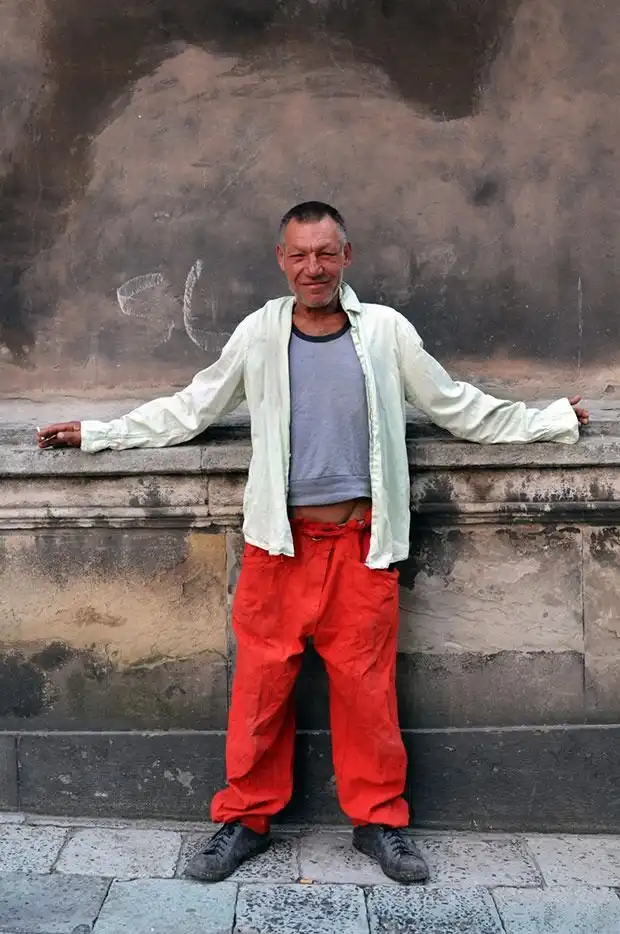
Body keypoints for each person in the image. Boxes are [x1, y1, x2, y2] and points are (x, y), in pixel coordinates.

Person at [38, 201, 589, 885]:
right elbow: (192, 408)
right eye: (299, 254)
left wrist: (549, 420)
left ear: (346, 256)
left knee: (367, 693)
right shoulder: (259, 333)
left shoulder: (385, 332)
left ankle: (380, 822)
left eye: (326, 253)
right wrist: (99, 433)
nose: (314, 267)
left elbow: (457, 405)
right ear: (282, 260)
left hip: (361, 545)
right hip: (279, 547)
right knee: (260, 690)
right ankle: (245, 819)